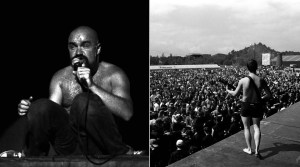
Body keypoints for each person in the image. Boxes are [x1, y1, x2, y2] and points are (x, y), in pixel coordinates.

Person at [17, 26, 133, 156]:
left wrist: (92, 85)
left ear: (98, 49)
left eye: (85, 45)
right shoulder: (60, 77)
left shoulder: (114, 74)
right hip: (70, 146)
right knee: (39, 107)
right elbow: (49, 115)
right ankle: (31, 160)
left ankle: (124, 153)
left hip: (101, 145)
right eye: (73, 47)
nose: (78, 52)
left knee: (83, 101)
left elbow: (127, 113)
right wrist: (31, 110)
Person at [226, 59, 272, 159]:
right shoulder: (261, 80)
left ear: (247, 68)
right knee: (257, 127)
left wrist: (228, 90)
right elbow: (269, 95)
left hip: (246, 105)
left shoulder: (243, 80)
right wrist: (261, 98)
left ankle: (249, 148)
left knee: (246, 127)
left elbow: (234, 94)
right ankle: (257, 150)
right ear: (256, 67)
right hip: (257, 105)